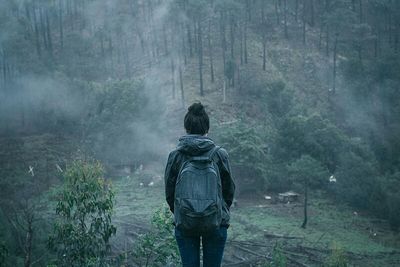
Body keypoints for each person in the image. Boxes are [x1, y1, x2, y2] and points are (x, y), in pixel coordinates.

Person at [164, 102, 235, 267]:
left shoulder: (175, 156)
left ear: (186, 128)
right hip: (216, 223)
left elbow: (169, 193)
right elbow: (229, 191)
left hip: (185, 223)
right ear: (207, 129)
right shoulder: (219, 154)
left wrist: (185, 212)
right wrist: (217, 210)